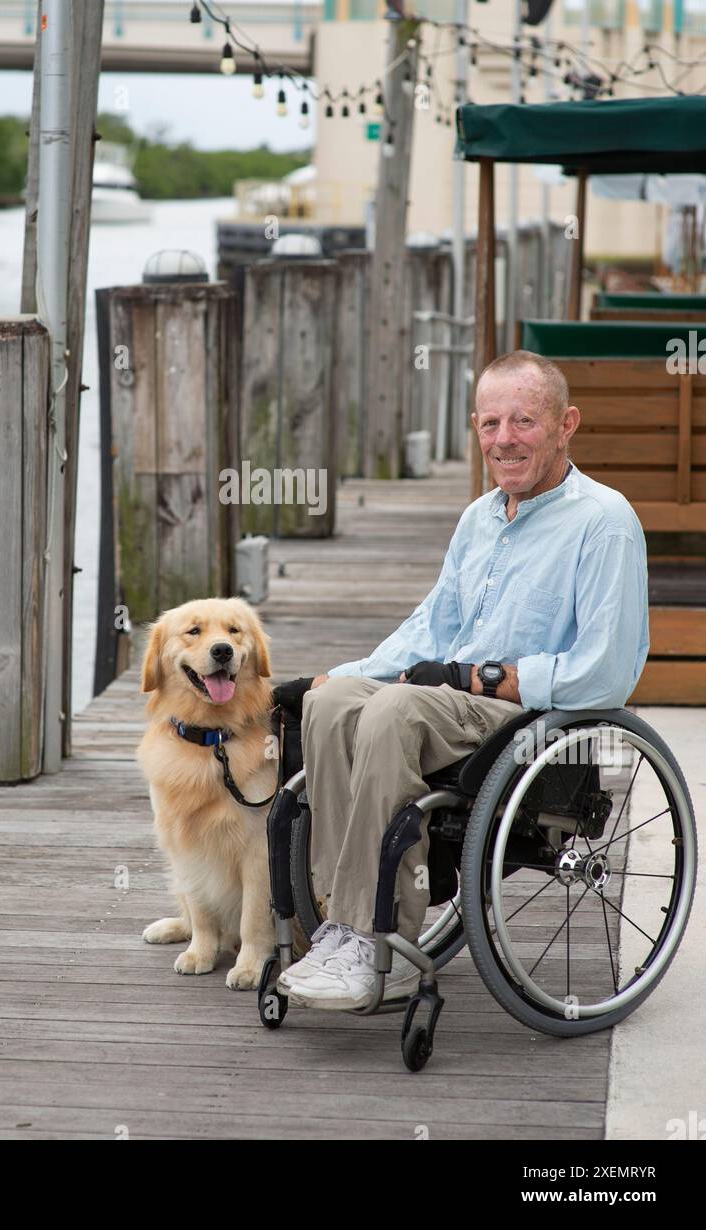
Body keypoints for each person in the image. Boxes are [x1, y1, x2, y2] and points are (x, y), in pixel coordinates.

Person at [275, 350, 649, 1011]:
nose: (503, 440)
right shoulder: (479, 518)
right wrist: (331, 676)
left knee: (394, 712)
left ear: (566, 424)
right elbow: (426, 632)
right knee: (330, 705)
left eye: (523, 422)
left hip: (526, 718)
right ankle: (338, 923)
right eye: (488, 424)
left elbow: (604, 673)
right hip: (442, 698)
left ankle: (376, 937)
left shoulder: (602, 520)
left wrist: (482, 676)